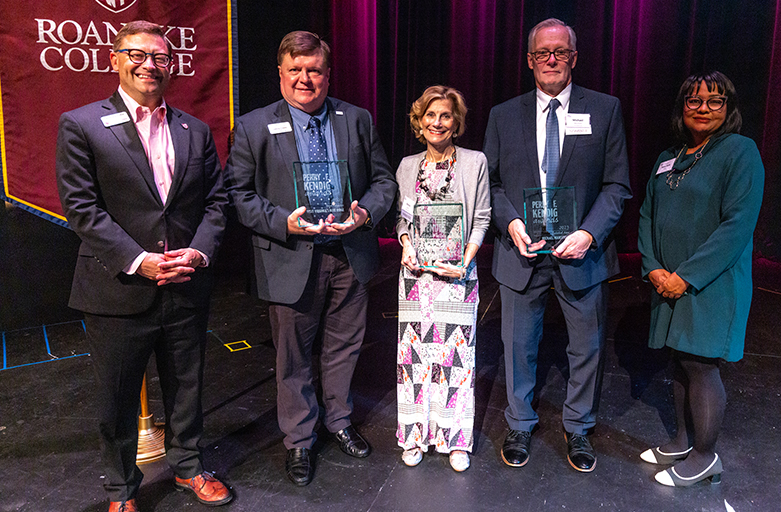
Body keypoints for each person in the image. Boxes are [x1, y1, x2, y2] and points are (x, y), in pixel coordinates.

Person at [55, 21, 231, 512]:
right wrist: (140, 261)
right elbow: (81, 207)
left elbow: (216, 203)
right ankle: (121, 490)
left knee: (187, 387)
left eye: (159, 57)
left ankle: (189, 468)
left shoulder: (193, 130)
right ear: (114, 59)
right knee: (115, 398)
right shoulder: (81, 123)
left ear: (170, 65)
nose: (149, 65)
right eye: (137, 54)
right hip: (116, 287)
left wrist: (197, 252)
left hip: (185, 283)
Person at [225, 31, 396, 487]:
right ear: (280, 73)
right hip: (290, 256)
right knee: (294, 355)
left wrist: (364, 215)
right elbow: (237, 196)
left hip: (349, 253)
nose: (305, 79)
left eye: (314, 69)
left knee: (344, 347)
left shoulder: (355, 119)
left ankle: (338, 421)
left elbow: (384, 183)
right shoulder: (254, 126)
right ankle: (299, 438)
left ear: (327, 73)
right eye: (295, 70)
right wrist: (285, 222)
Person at [483, 18, 631, 472]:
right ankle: (520, 422)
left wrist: (588, 233)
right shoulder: (503, 114)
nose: (551, 59)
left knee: (586, 346)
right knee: (517, 343)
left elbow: (617, 184)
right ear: (530, 60)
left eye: (560, 52)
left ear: (573, 58)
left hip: (581, 252)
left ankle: (580, 427)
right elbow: (490, 184)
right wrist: (510, 225)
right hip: (521, 251)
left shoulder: (605, 110)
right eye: (542, 52)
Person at [637, 71, 764, 487]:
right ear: (682, 107)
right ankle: (681, 440)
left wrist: (686, 277)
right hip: (665, 282)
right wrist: (653, 266)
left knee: (700, 363)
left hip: (710, 284)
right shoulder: (667, 157)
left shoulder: (739, 152)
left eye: (714, 101)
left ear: (728, 108)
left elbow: (737, 226)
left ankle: (707, 456)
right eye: (695, 101)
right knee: (678, 358)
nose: (704, 108)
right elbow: (647, 215)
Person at [394, 86, 491, 472]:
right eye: (430, 115)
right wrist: (404, 244)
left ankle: (455, 439)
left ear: (457, 122)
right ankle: (415, 434)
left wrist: (466, 262)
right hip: (416, 277)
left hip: (457, 274)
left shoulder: (474, 162)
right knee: (414, 360)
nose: (437, 123)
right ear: (420, 120)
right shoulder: (406, 166)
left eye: (446, 116)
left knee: (455, 358)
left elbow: (482, 217)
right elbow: (402, 217)